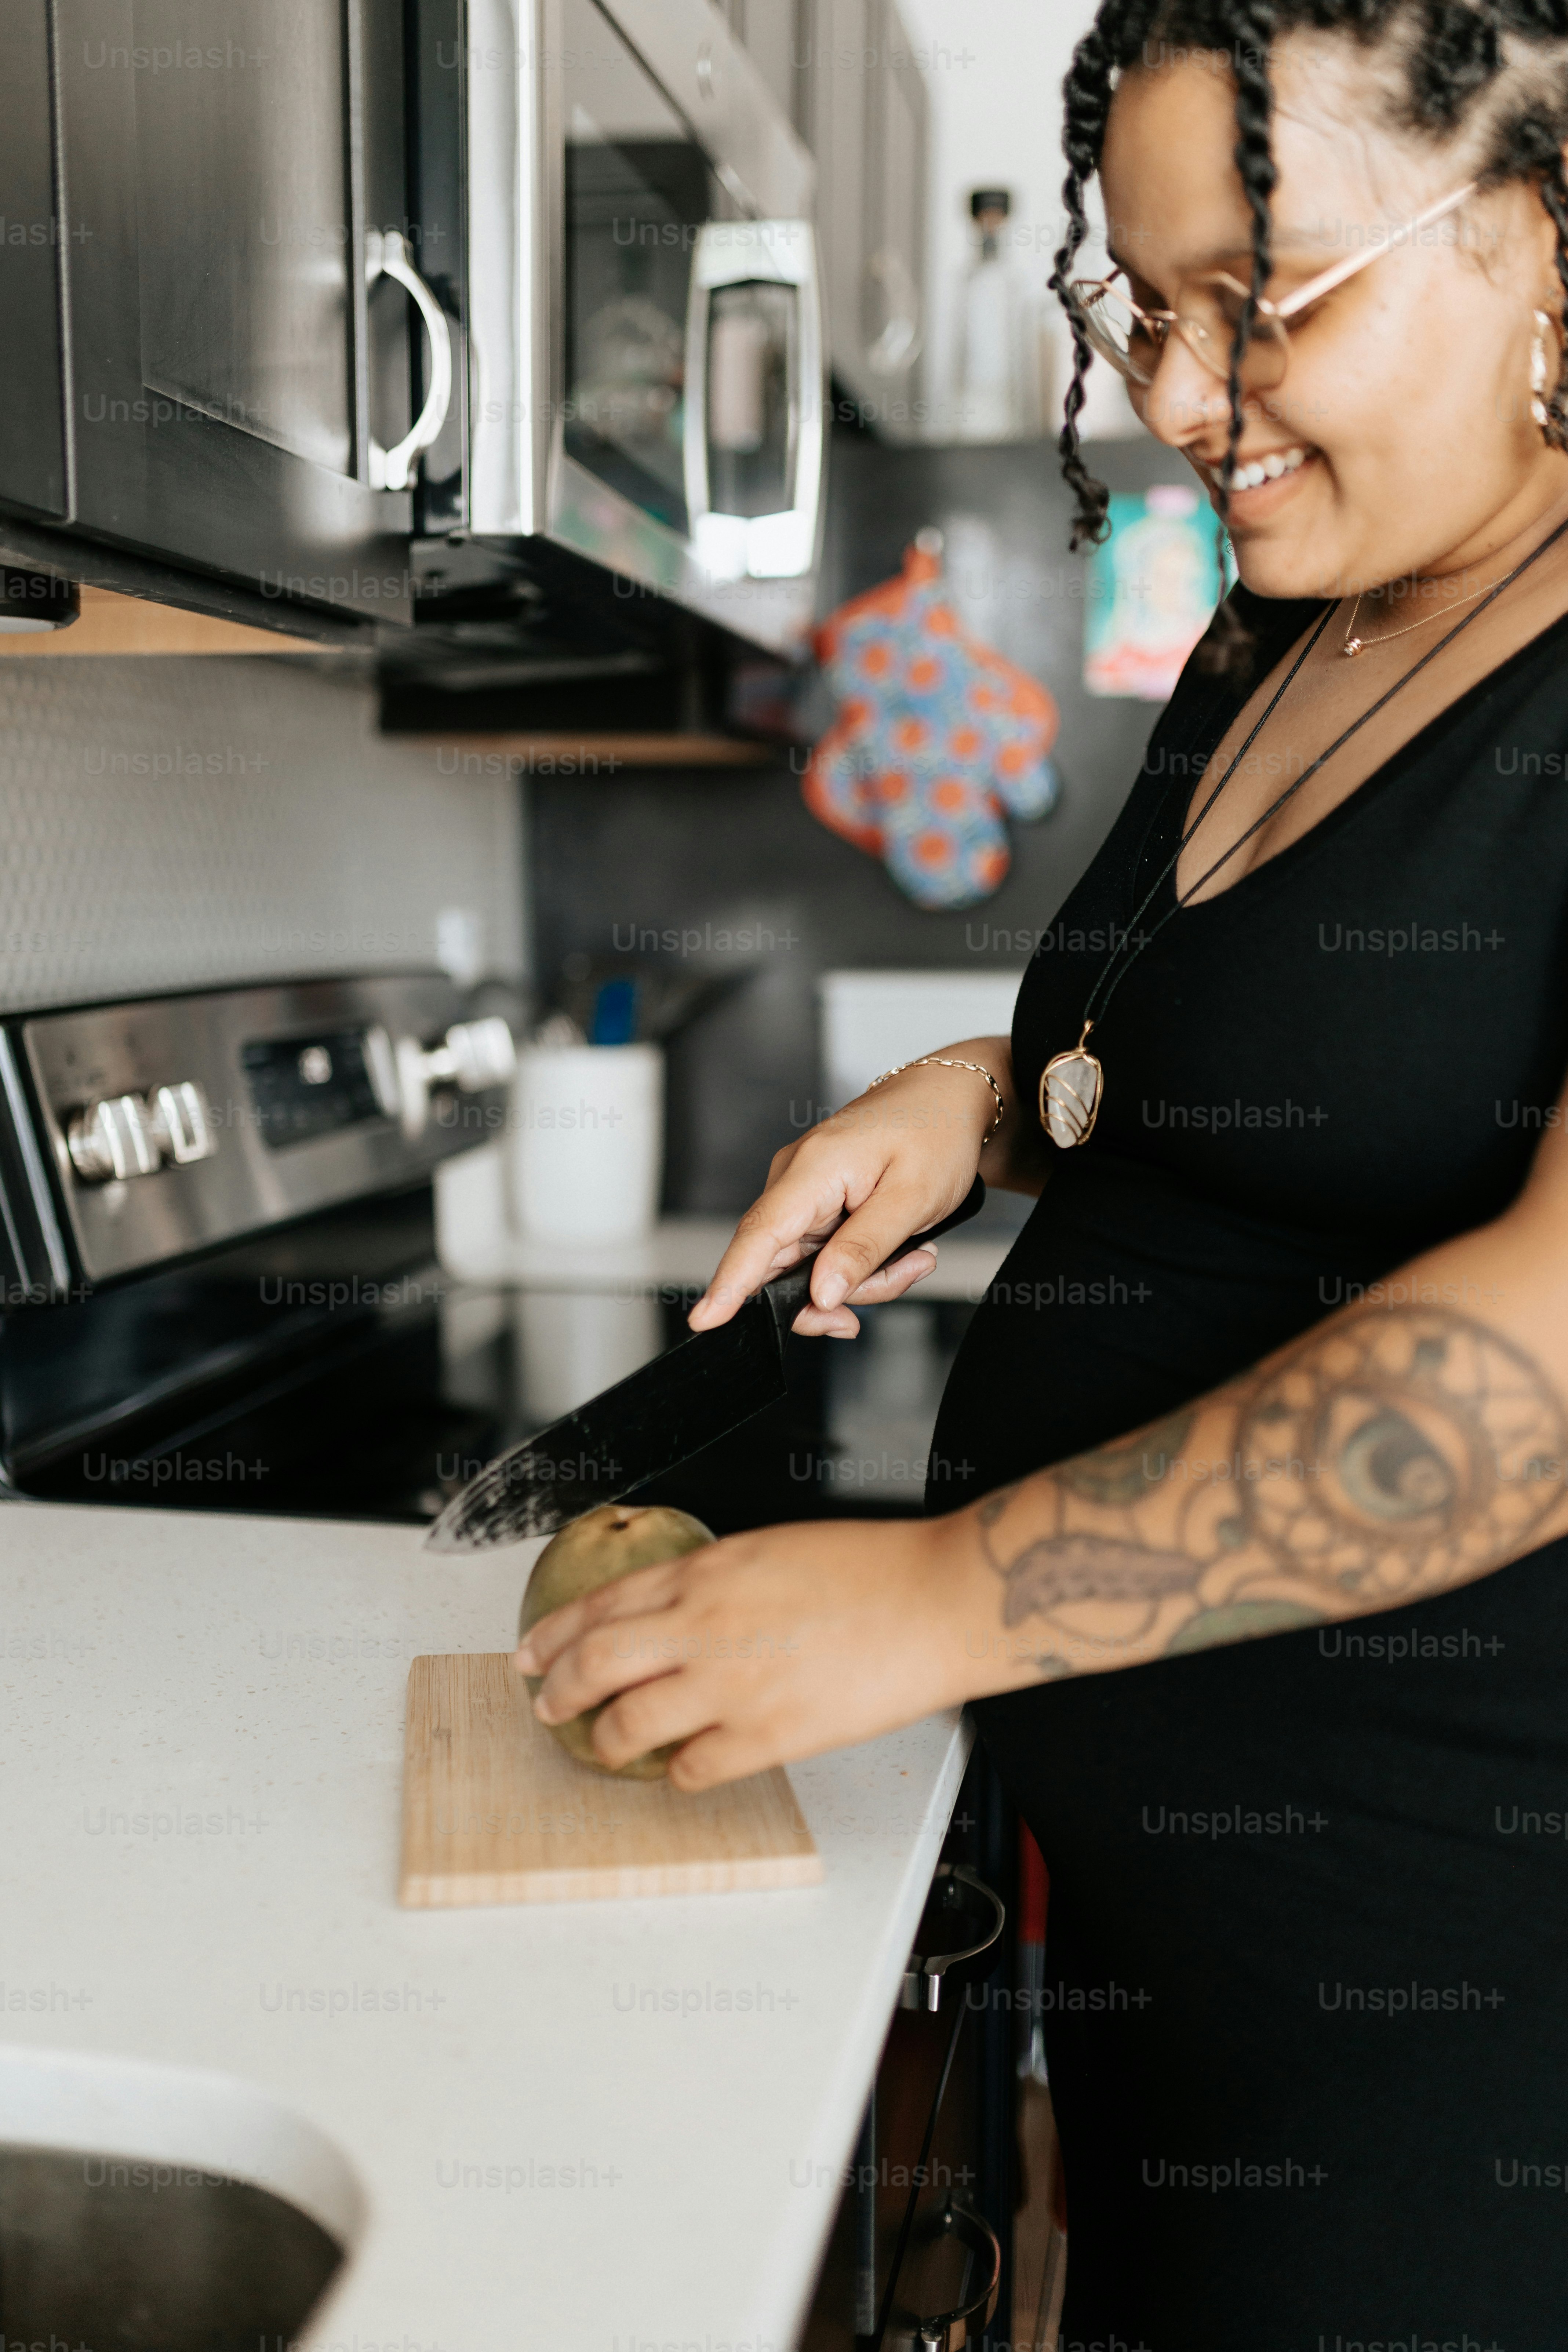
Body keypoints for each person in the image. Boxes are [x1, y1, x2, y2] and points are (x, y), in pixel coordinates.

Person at [515, 3, 1568, 2336]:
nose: (1187, 402)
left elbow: (1549, 1358)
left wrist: (928, 1601)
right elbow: (1263, 1061)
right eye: (1144, 308)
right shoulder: (1295, 614)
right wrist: (986, 1102)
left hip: (1462, 2042)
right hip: (1182, 1978)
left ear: (1543, 253)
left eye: (1262, 305)